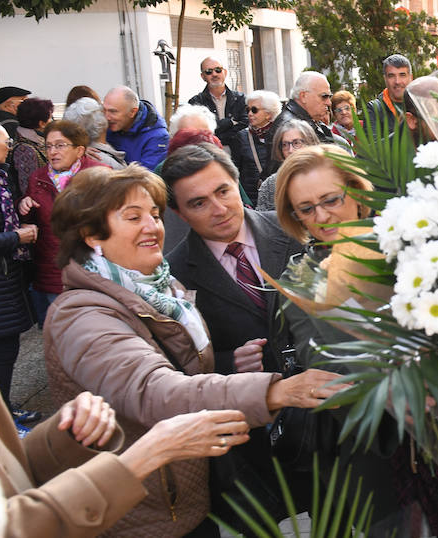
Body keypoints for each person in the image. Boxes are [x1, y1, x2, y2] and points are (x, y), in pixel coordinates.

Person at [44, 163, 345, 536]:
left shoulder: (156, 287)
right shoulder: (83, 314)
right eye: (133, 217)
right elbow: (154, 390)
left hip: (187, 488)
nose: (152, 227)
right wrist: (275, 389)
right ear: (92, 234)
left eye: (153, 214)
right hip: (143, 508)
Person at [273, 144, 438, 537]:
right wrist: (397, 393)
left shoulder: (408, 246)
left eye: (331, 199)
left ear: (356, 191)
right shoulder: (301, 281)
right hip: (378, 460)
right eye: (306, 208)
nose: (322, 216)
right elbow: (327, 366)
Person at [0, 349, 256, 538]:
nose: (163, 260)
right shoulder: (80, 312)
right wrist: (143, 457)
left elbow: (7, 473)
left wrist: (64, 437)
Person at [0, 120, 39, 435]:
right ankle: (0, 423)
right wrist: (17, 237)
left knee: (8, 348)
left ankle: (2, 407)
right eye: (5, 141)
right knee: (3, 349)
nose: (10, 146)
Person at [19, 120, 107, 326]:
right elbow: (31, 223)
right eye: (48, 146)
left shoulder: (100, 174)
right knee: (61, 332)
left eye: (60, 145)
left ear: (79, 150)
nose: (52, 152)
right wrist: (24, 207)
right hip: (54, 268)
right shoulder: (38, 178)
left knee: (94, 330)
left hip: (94, 267)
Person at [231, 90, 283, 202]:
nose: (249, 114)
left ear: (269, 114)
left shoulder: (282, 134)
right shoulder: (241, 137)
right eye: (247, 110)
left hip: (279, 194)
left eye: (254, 110)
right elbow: (235, 171)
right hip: (252, 199)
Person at [256, 119, 320, 211]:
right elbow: (262, 222)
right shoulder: (270, 185)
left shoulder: (325, 176)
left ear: (310, 143)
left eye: (296, 143)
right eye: (285, 145)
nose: (290, 150)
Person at [103, 86, 169, 171]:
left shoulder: (157, 137)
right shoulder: (106, 123)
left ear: (133, 112)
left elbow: (146, 177)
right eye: (104, 110)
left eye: (113, 112)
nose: (106, 117)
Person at [187, 57, 248, 147]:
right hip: (209, 154)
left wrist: (217, 135)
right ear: (203, 76)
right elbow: (198, 132)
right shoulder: (196, 103)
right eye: (209, 71)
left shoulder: (240, 99)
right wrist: (229, 122)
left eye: (218, 70)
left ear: (225, 72)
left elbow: (245, 125)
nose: (214, 74)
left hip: (239, 154)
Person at [63, 97, 127, 170]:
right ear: (99, 123)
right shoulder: (104, 161)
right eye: (103, 112)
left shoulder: (77, 156)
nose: (108, 116)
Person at [279, 72, 340, 144]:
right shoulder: (289, 126)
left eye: (329, 97)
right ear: (303, 96)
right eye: (324, 96)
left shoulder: (308, 120)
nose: (329, 103)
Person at [365, 54, 414, 141]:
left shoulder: (420, 104)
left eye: (402, 75)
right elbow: (373, 147)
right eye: (391, 76)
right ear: (385, 79)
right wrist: (404, 129)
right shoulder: (374, 108)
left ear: (411, 78)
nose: (397, 81)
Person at [11, 97, 53, 195]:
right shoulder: (25, 149)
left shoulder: (37, 140)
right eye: (50, 118)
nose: (51, 121)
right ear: (41, 123)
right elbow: (28, 188)